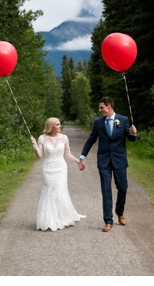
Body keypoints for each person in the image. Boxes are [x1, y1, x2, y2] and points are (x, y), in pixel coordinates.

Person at [79, 96, 137, 232]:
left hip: (119, 160)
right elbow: (91, 140)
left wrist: (133, 133)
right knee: (106, 190)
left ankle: (120, 212)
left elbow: (131, 139)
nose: (99, 110)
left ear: (109, 106)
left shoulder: (123, 120)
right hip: (104, 160)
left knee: (122, 188)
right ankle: (108, 221)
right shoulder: (98, 123)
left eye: (101, 108)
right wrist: (82, 157)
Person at [29, 118, 86, 231]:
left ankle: (63, 218)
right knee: (49, 192)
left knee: (60, 191)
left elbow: (67, 154)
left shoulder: (64, 138)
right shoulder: (42, 138)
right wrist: (35, 145)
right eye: (57, 125)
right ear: (51, 126)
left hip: (61, 168)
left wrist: (78, 162)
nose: (60, 126)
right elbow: (40, 155)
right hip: (47, 168)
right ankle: (49, 219)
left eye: (59, 124)